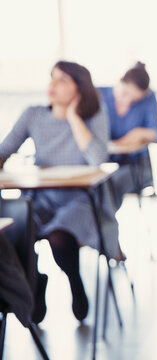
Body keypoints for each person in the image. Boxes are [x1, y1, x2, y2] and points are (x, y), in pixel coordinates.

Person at [0, 61, 118, 323]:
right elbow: (4, 150)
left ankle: (75, 282)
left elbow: (98, 158)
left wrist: (74, 117)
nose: (52, 85)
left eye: (62, 80)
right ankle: (34, 282)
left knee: (59, 237)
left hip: (80, 201)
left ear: (79, 88)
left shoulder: (93, 115)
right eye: (52, 78)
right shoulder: (33, 114)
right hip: (40, 198)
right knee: (17, 229)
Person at [98, 62, 157, 208]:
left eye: (134, 100)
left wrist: (138, 133)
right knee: (96, 185)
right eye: (125, 94)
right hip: (102, 164)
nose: (127, 101)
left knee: (111, 184)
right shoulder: (99, 94)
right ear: (120, 81)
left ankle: (104, 225)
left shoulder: (148, 98)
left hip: (134, 166)